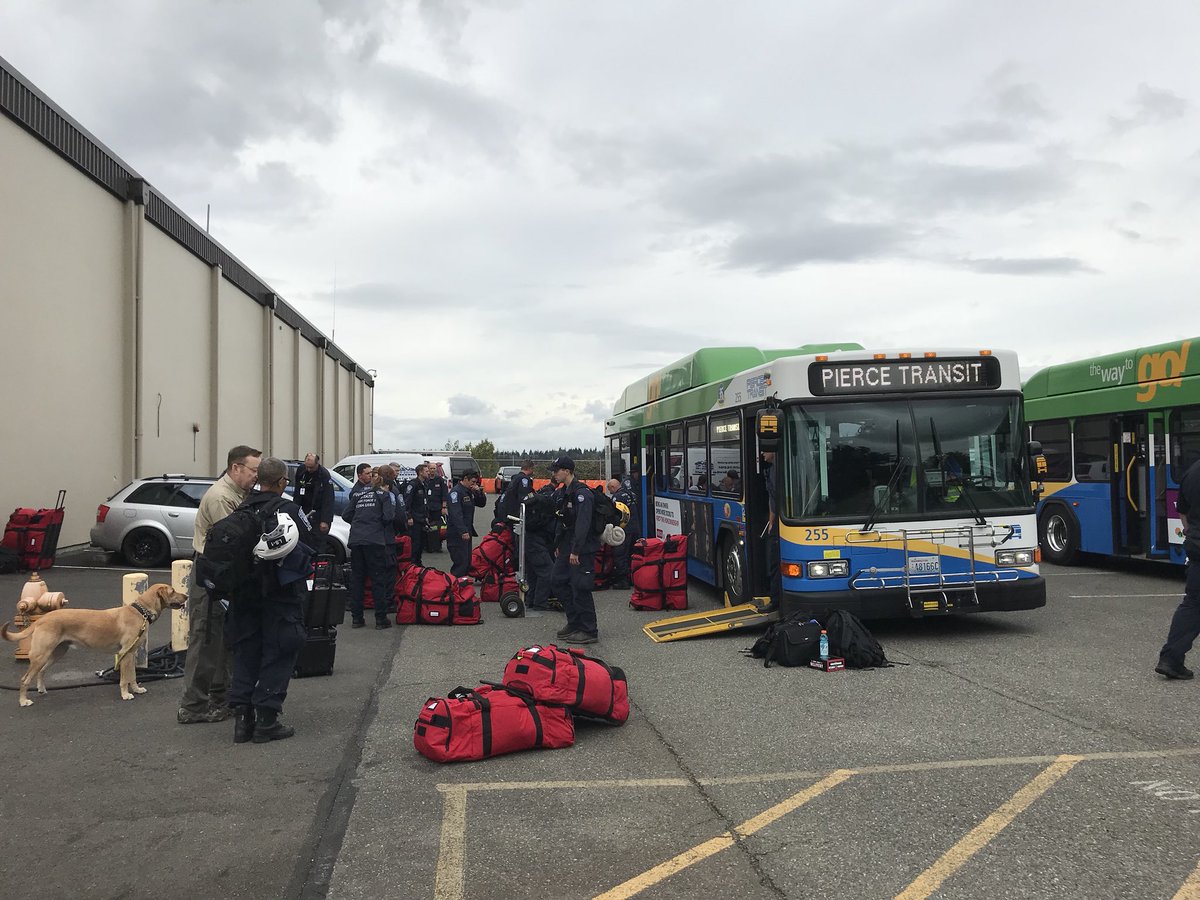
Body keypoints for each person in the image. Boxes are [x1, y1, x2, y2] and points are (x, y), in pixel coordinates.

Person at [226, 456, 314, 743]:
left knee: (246, 652)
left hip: (243, 595)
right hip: (279, 594)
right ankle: (266, 720)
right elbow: (311, 543)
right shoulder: (288, 509)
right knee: (280, 650)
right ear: (281, 482)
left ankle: (242, 721)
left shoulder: (241, 507)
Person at [178, 444, 261, 726]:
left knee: (224, 640)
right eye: (253, 471)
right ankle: (192, 706)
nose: (256, 477)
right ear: (236, 468)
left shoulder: (240, 493)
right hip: (211, 577)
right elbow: (237, 538)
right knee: (205, 640)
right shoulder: (221, 498)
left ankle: (219, 697)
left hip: (226, 574)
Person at [1156, 458, 1200, 679]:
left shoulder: (1192, 471)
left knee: (1193, 604)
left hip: (1197, 547)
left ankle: (1170, 660)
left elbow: (1182, 512)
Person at [550, 456, 600, 644]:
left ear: (567, 471)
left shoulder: (582, 494)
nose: (554, 474)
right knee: (558, 581)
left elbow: (583, 524)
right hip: (566, 547)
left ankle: (589, 630)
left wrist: (576, 550)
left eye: (557, 470)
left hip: (581, 548)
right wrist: (558, 545)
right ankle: (574, 622)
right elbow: (562, 521)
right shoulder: (564, 493)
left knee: (581, 587)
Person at [343, 467, 397, 630]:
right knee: (377, 580)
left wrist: (360, 523)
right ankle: (381, 619)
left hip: (357, 540)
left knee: (357, 580)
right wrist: (375, 523)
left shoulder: (358, 495)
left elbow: (346, 515)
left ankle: (357, 618)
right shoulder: (384, 495)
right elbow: (389, 517)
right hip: (374, 541)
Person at [522, 483, 559, 613]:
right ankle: (540, 604)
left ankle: (531, 601)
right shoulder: (550, 512)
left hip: (529, 541)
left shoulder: (537, 510)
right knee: (548, 572)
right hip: (537, 544)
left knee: (533, 574)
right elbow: (553, 531)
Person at [446, 470, 487, 577]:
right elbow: (456, 514)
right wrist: (463, 531)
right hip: (457, 533)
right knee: (461, 562)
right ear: (465, 479)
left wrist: (479, 492)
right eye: (472, 482)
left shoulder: (469, 491)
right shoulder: (456, 492)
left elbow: (482, 504)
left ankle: (462, 586)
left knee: (467, 561)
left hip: (467, 530)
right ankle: (455, 585)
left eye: (476, 482)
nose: (474, 484)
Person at [294, 453, 334, 554]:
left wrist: (325, 520)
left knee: (318, 542)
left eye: (311, 467)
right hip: (303, 510)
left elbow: (328, 499)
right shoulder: (301, 471)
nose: (308, 469)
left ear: (317, 464)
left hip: (318, 512)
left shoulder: (324, 474)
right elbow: (297, 493)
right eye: (307, 466)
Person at [610, 476, 638, 590]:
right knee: (631, 554)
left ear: (613, 487)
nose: (610, 492)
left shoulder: (617, 497)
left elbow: (614, 514)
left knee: (620, 555)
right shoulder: (633, 494)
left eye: (610, 489)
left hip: (624, 530)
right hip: (635, 528)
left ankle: (623, 582)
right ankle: (633, 578)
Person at [401, 464, 430, 568]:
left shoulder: (425, 484)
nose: (428, 472)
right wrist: (409, 516)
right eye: (426, 471)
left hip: (422, 518)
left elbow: (424, 502)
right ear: (420, 472)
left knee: (422, 543)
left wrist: (426, 516)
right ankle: (412, 565)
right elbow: (407, 502)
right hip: (414, 519)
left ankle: (418, 562)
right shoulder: (413, 484)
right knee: (415, 544)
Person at [762, 451, 780, 608]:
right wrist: (771, 521)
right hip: (777, 523)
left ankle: (775, 600)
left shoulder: (778, 470)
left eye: (765, 449)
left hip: (782, 522)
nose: (762, 453)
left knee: (775, 562)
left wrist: (774, 522)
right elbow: (771, 499)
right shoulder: (772, 469)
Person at [495, 460, 536, 527]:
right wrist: (534, 495)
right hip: (513, 515)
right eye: (533, 469)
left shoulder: (515, 478)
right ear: (529, 468)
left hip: (505, 513)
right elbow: (524, 497)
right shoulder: (524, 479)